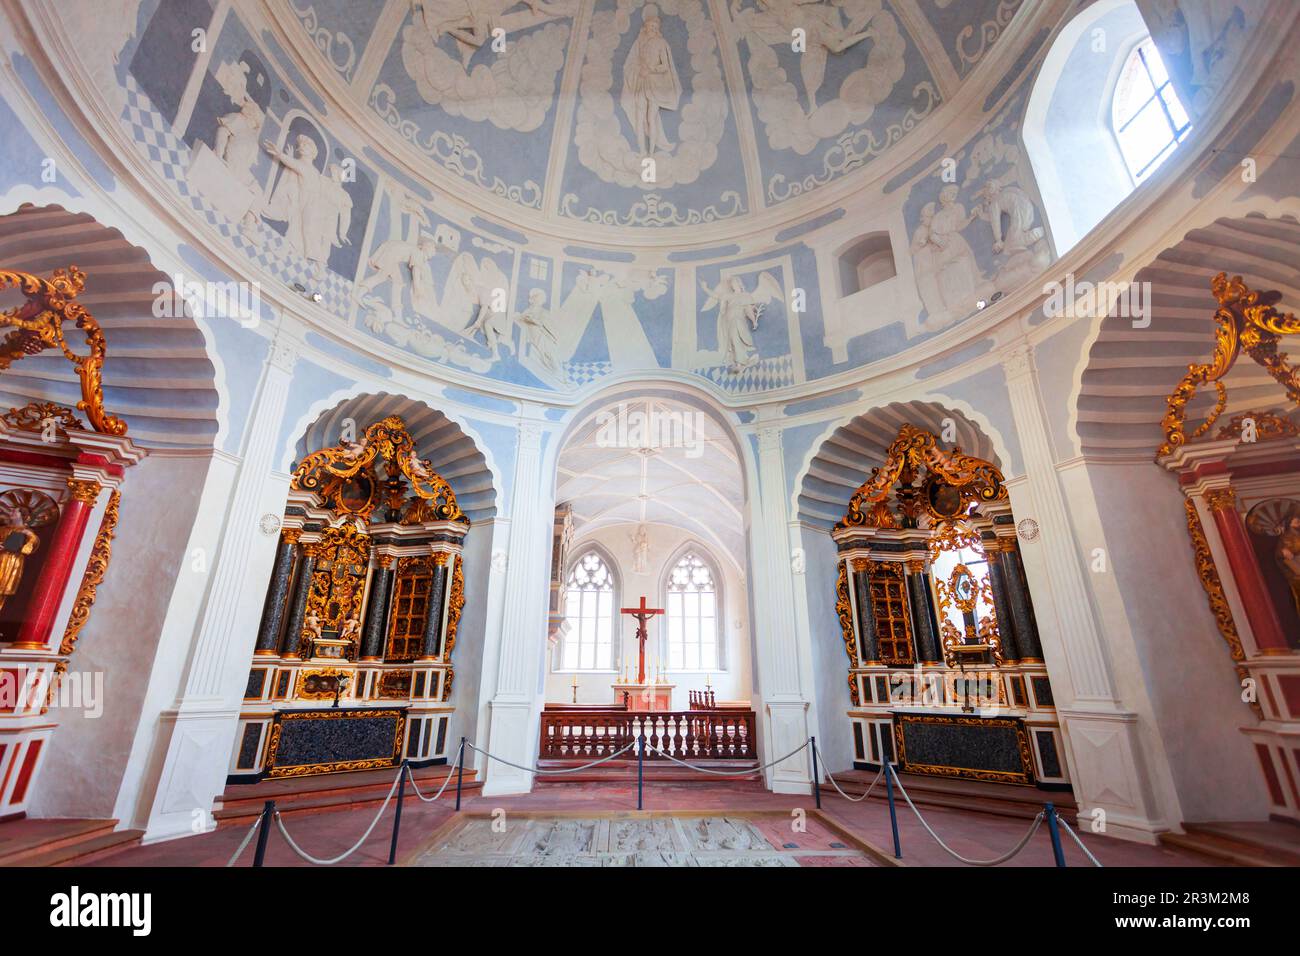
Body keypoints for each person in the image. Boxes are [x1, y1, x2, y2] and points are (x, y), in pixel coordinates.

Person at [620, 6, 681, 154]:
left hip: (655, 83)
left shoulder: (662, 43)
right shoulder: (639, 43)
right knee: (640, 117)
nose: (653, 28)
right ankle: (642, 151)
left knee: (651, 118)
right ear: (645, 27)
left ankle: (652, 151)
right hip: (641, 81)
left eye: (655, 26)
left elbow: (665, 66)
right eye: (650, 26)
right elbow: (630, 62)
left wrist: (651, 70)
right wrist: (638, 70)